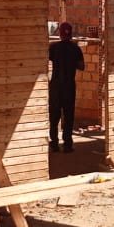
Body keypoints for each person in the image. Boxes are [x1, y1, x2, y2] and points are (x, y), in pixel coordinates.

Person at [48, 21, 84, 152]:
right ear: (71, 34)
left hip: (56, 86)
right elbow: (82, 66)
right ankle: (67, 145)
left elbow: (47, 58)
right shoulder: (75, 49)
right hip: (69, 86)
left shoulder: (53, 47)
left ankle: (54, 144)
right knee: (68, 116)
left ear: (60, 34)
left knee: (54, 116)